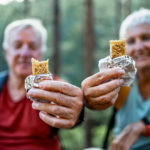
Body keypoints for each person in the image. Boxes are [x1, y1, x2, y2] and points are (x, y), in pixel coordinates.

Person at [0, 19, 83, 150]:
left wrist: (78, 112)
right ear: (6, 52)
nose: (25, 53)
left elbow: (74, 110)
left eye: (32, 47)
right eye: (17, 45)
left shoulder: (54, 87)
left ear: (41, 53)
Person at [82, 8, 150, 150]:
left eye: (146, 38)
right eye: (131, 41)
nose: (139, 47)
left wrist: (142, 127)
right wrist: (88, 100)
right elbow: (99, 104)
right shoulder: (122, 81)